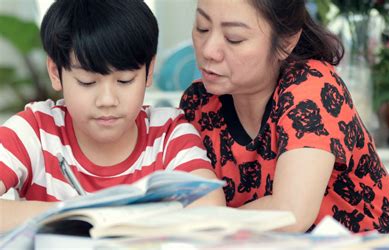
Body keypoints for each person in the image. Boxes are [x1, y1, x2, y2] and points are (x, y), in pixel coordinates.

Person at [180, 0, 389, 233]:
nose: (208, 50)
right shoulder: (199, 103)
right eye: (202, 28)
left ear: (286, 43)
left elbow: (291, 213)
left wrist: (192, 225)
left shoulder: (312, 87)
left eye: (234, 38)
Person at [0, 0, 225, 233]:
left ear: (149, 71)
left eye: (125, 80)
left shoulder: (168, 133)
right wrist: (79, 212)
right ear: (56, 72)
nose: (107, 100)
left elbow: (210, 210)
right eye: (87, 82)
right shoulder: (35, 131)